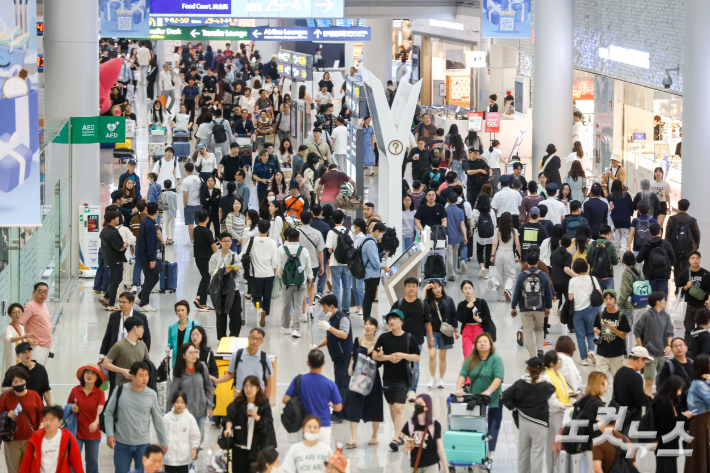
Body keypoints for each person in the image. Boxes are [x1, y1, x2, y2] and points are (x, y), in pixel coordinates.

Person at [104, 361, 168, 473]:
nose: (145, 379)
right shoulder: (120, 390)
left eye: (146, 375)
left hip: (143, 444)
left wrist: (163, 442)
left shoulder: (151, 394)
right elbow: (108, 412)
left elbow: (157, 419)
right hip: (122, 443)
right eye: (141, 376)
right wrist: (110, 434)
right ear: (132, 376)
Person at [373, 310, 421, 451]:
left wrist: (403, 355)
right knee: (392, 408)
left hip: (403, 378)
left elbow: (417, 357)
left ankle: (395, 437)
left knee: (399, 407)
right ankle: (400, 434)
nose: (392, 321)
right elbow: (375, 355)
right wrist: (388, 357)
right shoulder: (383, 337)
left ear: (402, 321)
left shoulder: (409, 338)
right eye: (390, 319)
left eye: (395, 318)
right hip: (388, 377)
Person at [501, 357, 556, 473]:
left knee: (523, 453)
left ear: (528, 368)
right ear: (542, 370)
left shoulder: (520, 383)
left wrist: (515, 407)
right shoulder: (545, 386)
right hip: (540, 423)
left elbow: (504, 396)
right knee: (537, 454)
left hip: (523, 421)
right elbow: (553, 389)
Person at [454, 333, 504, 453]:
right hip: (475, 399)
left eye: (485, 341)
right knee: (475, 427)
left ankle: (488, 454)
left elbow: (498, 378)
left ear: (490, 344)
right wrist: (458, 388)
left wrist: (489, 391)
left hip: (494, 400)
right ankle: (475, 452)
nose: (482, 344)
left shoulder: (496, 359)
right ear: (475, 345)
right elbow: (463, 374)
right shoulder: (471, 359)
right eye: (479, 342)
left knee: (492, 428)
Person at [283, 349, 342, 443]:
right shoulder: (330, 384)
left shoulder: (300, 380)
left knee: (308, 455)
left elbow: (285, 400)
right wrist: (331, 405)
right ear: (324, 363)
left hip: (307, 425)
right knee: (323, 456)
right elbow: (339, 407)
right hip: (324, 426)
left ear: (308, 363)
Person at [390, 278, 434, 401]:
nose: (411, 289)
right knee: (399, 364)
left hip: (417, 341)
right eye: (409, 286)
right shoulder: (398, 304)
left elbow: (428, 323)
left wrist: (431, 338)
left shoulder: (422, 304)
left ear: (417, 288)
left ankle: (411, 390)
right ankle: (401, 388)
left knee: (415, 367)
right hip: (400, 339)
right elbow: (391, 322)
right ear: (405, 288)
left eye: (413, 286)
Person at [223, 376, 277, 472]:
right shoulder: (238, 403)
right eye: (246, 386)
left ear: (257, 388)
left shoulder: (263, 404)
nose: (248, 389)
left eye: (251, 386)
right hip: (239, 447)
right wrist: (228, 428)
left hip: (256, 448)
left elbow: (268, 425)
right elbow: (230, 416)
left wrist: (257, 417)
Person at [344, 317, 383, 448]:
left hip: (373, 377)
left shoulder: (380, 342)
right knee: (354, 405)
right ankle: (353, 438)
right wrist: (370, 351)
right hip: (358, 377)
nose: (368, 326)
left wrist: (373, 352)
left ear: (376, 328)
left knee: (375, 405)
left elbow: (380, 362)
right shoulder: (358, 340)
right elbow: (357, 356)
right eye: (366, 324)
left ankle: (374, 436)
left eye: (371, 324)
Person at [168, 344, 214, 443]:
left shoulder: (202, 367)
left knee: (199, 439)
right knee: (185, 440)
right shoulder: (179, 372)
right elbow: (173, 392)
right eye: (191, 352)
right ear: (184, 356)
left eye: (195, 352)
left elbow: (209, 387)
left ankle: (193, 457)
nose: (194, 355)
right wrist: (168, 413)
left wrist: (209, 405)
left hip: (201, 411)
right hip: (185, 413)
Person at [18, 404, 84, 473]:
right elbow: (25, 464)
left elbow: (77, 465)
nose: (48, 423)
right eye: (45, 419)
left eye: (52, 420)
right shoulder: (35, 438)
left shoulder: (68, 438)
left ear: (60, 422)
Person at [0, 366, 43, 473]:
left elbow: (42, 414)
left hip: (31, 439)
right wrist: (6, 414)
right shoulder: (6, 397)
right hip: (12, 441)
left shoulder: (34, 395)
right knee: (14, 470)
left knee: (31, 468)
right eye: (15, 382)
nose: (19, 384)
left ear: (26, 380)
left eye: (21, 381)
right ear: (11, 383)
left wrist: (42, 425)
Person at [511, 252, 554, 359]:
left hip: (525, 308)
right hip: (540, 308)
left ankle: (532, 356)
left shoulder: (522, 275)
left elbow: (516, 292)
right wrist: (548, 307)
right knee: (539, 330)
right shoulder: (543, 275)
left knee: (528, 332)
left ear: (526, 262)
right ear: (538, 261)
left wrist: (513, 306)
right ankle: (540, 350)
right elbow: (548, 293)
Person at [211, 328, 274, 400]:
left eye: (258, 339)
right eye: (252, 338)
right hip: (240, 397)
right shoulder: (237, 355)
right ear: (248, 338)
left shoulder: (265, 358)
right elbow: (230, 374)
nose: (254, 341)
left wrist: (267, 403)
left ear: (262, 341)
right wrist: (217, 381)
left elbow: (268, 381)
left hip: (258, 398)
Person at [64, 364, 105, 473]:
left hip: (93, 432)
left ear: (97, 378)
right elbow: (68, 407)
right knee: (73, 459)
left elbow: (100, 409)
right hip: (76, 431)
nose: (89, 375)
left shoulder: (99, 393)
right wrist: (73, 408)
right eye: (87, 372)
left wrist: (96, 422)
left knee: (93, 462)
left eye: (92, 373)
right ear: (83, 376)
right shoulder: (75, 390)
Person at [419, 281, 457, 389]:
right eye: (434, 288)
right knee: (432, 355)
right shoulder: (428, 300)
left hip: (445, 332)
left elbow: (454, 314)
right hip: (432, 331)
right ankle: (432, 377)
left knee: (442, 357)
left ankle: (441, 379)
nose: (438, 289)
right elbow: (420, 303)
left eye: (439, 286)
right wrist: (425, 288)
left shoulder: (448, 299)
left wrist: (456, 330)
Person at [540, 351, 573, 473]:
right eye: (559, 359)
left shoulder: (558, 374)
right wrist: (563, 405)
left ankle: (560, 469)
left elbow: (562, 391)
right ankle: (552, 470)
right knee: (552, 445)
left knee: (560, 443)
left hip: (562, 413)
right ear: (552, 363)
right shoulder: (547, 377)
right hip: (553, 414)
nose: (561, 361)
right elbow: (551, 399)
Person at [635, 291, 674, 394]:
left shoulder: (666, 316)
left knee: (664, 382)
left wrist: (669, 346)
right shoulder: (646, 316)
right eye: (663, 299)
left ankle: (662, 405)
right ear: (658, 302)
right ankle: (648, 406)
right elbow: (637, 331)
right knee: (649, 382)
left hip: (663, 354)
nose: (665, 301)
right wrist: (641, 348)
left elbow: (670, 332)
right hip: (650, 355)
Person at [241, 220, 278, 327]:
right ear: (269, 229)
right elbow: (274, 261)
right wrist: (275, 270)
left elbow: (242, 255)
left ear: (258, 229)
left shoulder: (252, 241)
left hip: (255, 275)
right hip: (269, 274)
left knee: (256, 297)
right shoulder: (272, 242)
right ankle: (264, 314)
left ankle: (260, 309)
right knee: (267, 297)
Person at [278, 228, 313, 339]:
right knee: (298, 305)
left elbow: (279, 267)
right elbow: (308, 266)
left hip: (286, 282)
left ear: (287, 238)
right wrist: (310, 277)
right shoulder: (304, 250)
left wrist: (280, 277)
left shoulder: (281, 249)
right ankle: (295, 329)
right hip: (300, 282)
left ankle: (285, 327)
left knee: (286, 304)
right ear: (298, 238)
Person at [401, 394, 448, 472]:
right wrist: (406, 447)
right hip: (415, 465)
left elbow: (440, 449)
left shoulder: (434, 424)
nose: (417, 406)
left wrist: (446, 470)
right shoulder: (410, 424)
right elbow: (405, 451)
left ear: (427, 407)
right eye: (416, 403)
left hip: (431, 464)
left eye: (420, 404)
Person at [593, 289, 631, 385]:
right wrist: (597, 332)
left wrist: (613, 328)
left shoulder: (621, 316)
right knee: (601, 382)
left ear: (615, 300)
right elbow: (600, 331)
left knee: (618, 382)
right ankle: (602, 400)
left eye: (610, 298)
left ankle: (617, 400)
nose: (608, 301)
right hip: (602, 353)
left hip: (617, 354)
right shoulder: (600, 315)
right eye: (606, 299)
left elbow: (623, 335)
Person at [568, 258, 600, 366]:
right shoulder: (592, 278)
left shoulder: (572, 280)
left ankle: (584, 359)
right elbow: (599, 292)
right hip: (590, 309)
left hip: (577, 311)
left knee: (580, 335)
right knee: (591, 333)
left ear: (575, 268)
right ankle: (591, 350)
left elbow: (570, 297)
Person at [1, 341, 50, 406]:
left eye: (29, 351)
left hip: (36, 406)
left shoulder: (41, 369)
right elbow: (3, 389)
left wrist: (50, 408)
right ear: (18, 355)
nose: (28, 354)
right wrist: (14, 387)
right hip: (18, 406)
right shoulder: (13, 370)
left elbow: (46, 390)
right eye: (24, 352)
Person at [162, 392, 200, 473]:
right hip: (169, 458)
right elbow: (160, 435)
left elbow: (195, 435)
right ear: (172, 403)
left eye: (182, 402)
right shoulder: (166, 418)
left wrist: (194, 449)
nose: (179, 405)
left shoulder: (189, 418)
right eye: (177, 402)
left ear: (185, 404)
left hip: (183, 458)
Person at [666, 199, 702, 286]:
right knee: (687, 270)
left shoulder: (672, 219)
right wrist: (694, 248)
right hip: (688, 251)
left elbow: (667, 237)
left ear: (678, 206)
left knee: (677, 270)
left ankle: (678, 290)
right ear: (688, 208)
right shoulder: (692, 221)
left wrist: (668, 252)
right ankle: (685, 291)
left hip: (674, 250)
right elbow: (697, 236)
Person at [325, 210, 355, 314]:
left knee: (336, 287)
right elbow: (352, 246)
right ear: (343, 219)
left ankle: (337, 309)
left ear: (333, 219)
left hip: (335, 263)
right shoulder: (349, 231)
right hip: (347, 263)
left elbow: (329, 249)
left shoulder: (331, 232)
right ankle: (346, 309)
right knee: (347, 286)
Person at [636, 223, 676, 295]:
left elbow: (639, 259)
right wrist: (669, 265)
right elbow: (673, 259)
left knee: (652, 296)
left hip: (650, 274)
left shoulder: (646, 244)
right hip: (664, 274)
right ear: (660, 231)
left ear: (650, 233)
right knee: (662, 296)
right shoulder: (667, 244)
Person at [360, 223, 390, 320]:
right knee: (369, 297)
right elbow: (374, 262)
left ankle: (367, 316)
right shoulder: (370, 243)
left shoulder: (367, 240)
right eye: (381, 234)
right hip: (371, 274)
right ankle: (367, 318)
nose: (381, 236)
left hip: (369, 273)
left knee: (368, 296)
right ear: (377, 231)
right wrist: (385, 268)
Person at [135, 203, 161, 312]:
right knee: (150, 279)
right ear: (156, 212)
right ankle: (143, 303)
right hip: (147, 256)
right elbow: (151, 243)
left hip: (143, 254)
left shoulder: (145, 221)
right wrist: (152, 259)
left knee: (155, 277)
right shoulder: (150, 225)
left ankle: (140, 296)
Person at [491, 212, 521, 300]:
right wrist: (520, 255)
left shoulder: (498, 230)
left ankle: (500, 297)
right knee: (511, 275)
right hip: (509, 253)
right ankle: (507, 289)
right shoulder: (514, 231)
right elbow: (518, 244)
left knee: (499, 275)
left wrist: (492, 255)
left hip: (499, 253)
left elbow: (495, 244)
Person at [21, 283, 52, 366]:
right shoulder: (30, 307)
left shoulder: (44, 306)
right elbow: (19, 324)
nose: (43, 294)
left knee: (41, 372)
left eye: (45, 292)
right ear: (34, 292)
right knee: (34, 372)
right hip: (36, 345)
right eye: (40, 291)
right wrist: (27, 339)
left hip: (45, 345)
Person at [2, 304, 31, 375]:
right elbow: (9, 339)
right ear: (10, 315)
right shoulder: (8, 328)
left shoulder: (21, 327)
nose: (17, 314)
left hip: (22, 360)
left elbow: (23, 341)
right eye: (14, 312)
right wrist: (23, 337)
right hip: (13, 359)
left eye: (19, 312)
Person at [444, 192, 467, 281]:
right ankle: (454, 270)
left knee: (449, 255)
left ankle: (451, 273)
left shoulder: (445, 210)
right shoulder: (460, 211)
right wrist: (465, 236)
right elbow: (462, 224)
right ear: (457, 200)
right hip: (457, 236)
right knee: (455, 255)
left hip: (448, 236)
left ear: (447, 200)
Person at [608, 179, 633, 253]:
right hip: (625, 220)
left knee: (615, 238)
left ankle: (616, 254)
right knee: (624, 237)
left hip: (614, 221)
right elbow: (631, 206)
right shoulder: (626, 195)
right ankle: (623, 250)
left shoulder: (610, 196)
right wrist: (630, 214)